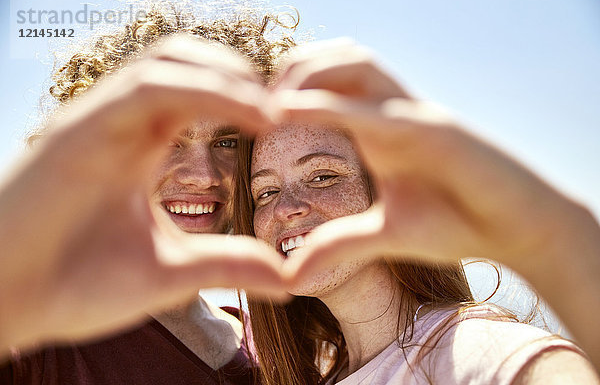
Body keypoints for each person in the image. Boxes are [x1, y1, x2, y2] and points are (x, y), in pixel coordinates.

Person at [233, 39, 600, 384]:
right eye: (266, 191)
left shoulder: (468, 350)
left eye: (323, 176)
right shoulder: (328, 372)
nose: (287, 208)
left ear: (386, 190)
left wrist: (558, 242)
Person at [0, 6, 293, 384]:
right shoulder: (35, 328)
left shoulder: (265, 342)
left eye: (226, 142)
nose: (203, 176)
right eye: (169, 141)